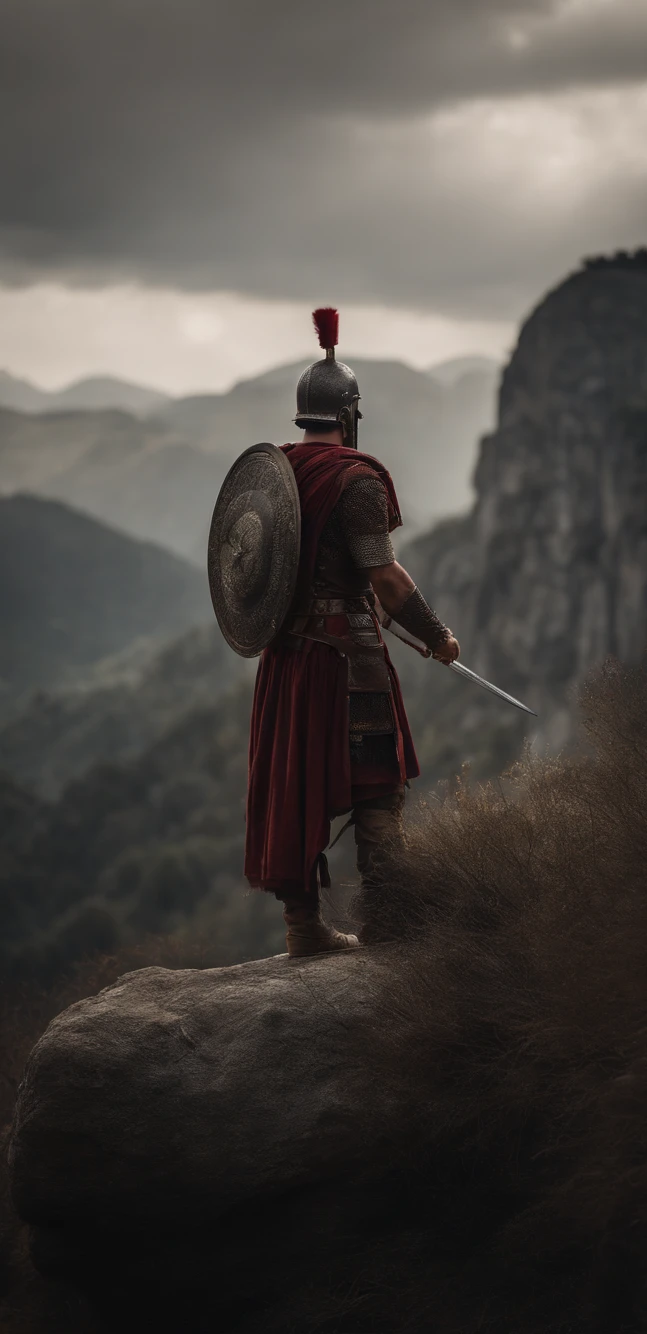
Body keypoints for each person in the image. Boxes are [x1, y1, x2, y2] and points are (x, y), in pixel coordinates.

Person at [245, 309, 459, 956]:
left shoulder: (276, 472)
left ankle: (301, 927)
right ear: (351, 412)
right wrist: (437, 634)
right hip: (347, 664)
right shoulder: (355, 479)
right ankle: (390, 925)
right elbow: (385, 578)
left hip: (286, 658)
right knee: (378, 787)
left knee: (294, 786)